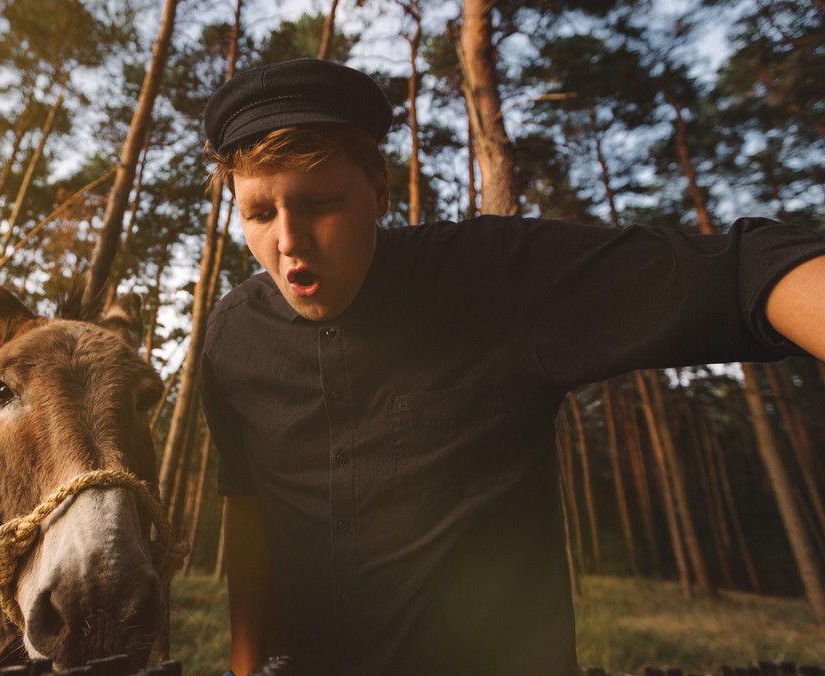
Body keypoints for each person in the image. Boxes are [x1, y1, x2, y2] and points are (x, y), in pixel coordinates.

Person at [197, 58, 825, 676]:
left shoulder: (495, 277)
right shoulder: (231, 336)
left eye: (319, 202)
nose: (287, 241)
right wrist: (246, 665)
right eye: (258, 214)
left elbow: (739, 271)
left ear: (380, 190)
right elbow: (246, 497)